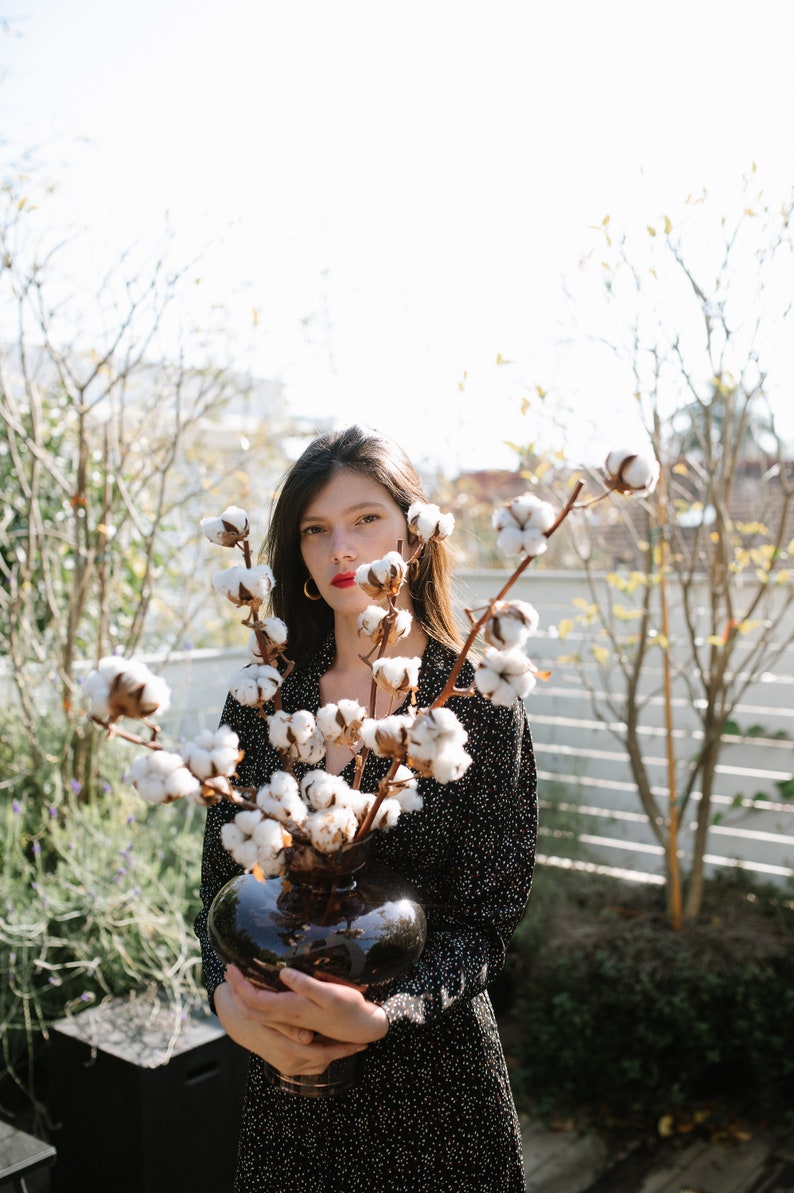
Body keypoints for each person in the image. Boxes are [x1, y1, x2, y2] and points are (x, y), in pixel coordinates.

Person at [194, 424, 537, 1192]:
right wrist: (229, 1000)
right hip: (288, 1087)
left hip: (434, 1093)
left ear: (417, 533)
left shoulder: (479, 700)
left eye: (365, 518)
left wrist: (386, 1015)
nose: (340, 548)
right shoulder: (265, 694)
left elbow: (487, 918)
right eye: (316, 529)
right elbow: (219, 880)